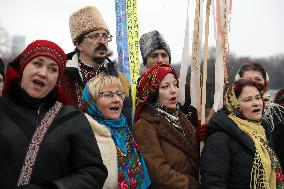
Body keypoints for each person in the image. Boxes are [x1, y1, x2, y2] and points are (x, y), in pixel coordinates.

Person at [0, 40, 107, 189]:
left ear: (57, 79)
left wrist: (55, 187)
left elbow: (93, 173)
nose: (43, 73)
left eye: (53, 69)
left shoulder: (73, 118)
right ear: (23, 68)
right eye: (37, 63)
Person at [200, 79, 283, 188]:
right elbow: (214, 183)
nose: (256, 103)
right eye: (248, 100)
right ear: (234, 105)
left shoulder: (264, 133)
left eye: (258, 98)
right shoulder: (220, 138)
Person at [63, 5, 132, 125]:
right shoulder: (62, 77)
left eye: (105, 36)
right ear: (78, 44)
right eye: (94, 36)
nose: (102, 41)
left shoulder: (121, 80)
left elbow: (126, 125)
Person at [133, 63, 199, 188]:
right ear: (153, 93)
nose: (173, 90)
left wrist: (206, 138)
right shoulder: (145, 125)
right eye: (165, 86)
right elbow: (158, 173)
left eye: (175, 84)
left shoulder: (181, 117)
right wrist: (189, 184)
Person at [82, 73, 151, 189]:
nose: (117, 100)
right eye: (108, 95)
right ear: (92, 102)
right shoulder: (85, 134)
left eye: (119, 94)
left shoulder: (123, 126)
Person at [235, 61, 284, 143]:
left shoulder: (279, 113)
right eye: (247, 80)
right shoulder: (229, 113)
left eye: (258, 79)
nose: (253, 83)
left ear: (266, 82)